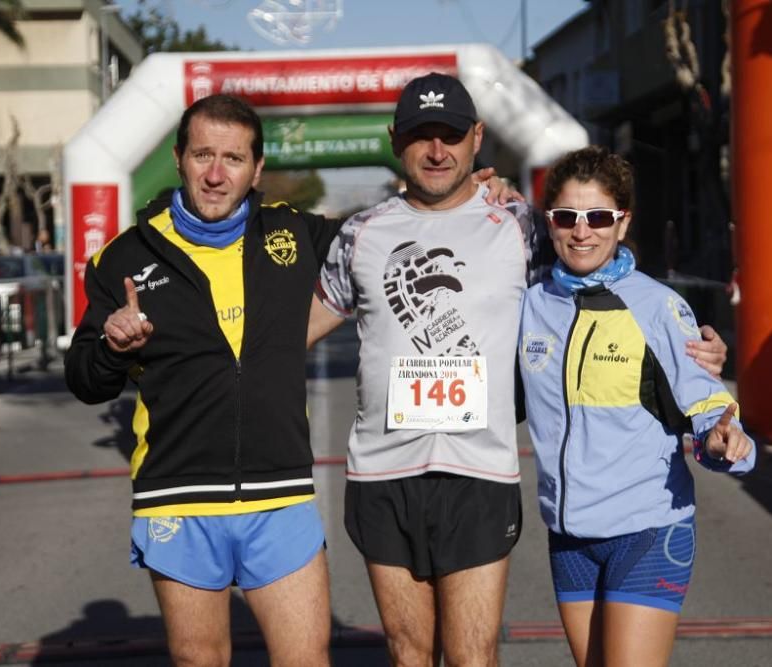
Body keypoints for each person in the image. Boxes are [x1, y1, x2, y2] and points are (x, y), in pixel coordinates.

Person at [64, 92, 517, 667]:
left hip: (281, 496)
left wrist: (479, 196)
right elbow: (84, 379)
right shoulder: (124, 257)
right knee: (199, 660)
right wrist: (109, 344)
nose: (215, 173)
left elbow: (398, 231)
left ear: (257, 169)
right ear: (178, 158)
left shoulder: (295, 236)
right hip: (176, 494)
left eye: (232, 159)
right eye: (203, 155)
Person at [308, 74, 729, 666]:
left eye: (450, 135)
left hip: (479, 475)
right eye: (420, 136)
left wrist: (693, 342)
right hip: (382, 475)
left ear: (477, 138)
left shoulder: (525, 226)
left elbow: (602, 275)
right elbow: (294, 331)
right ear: (394, 139)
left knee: (473, 653)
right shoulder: (359, 234)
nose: (436, 151)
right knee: (407, 653)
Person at [517, 146, 756, 667]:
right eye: (567, 217)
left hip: (647, 529)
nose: (583, 232)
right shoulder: (531, 304)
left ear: (622, 224)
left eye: (599, 217)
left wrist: (720, 435)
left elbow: (707, 399)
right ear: (549, 224)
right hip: (568, 537)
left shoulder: (657, 305)